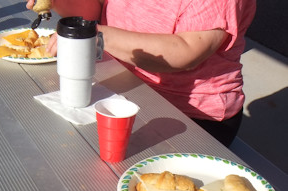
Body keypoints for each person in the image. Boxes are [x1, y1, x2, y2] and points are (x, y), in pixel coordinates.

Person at [27, 0, 256, 147]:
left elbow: (186, 52)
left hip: (189, 115)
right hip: (121, 87)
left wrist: (94, 34)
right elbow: (96, 9)